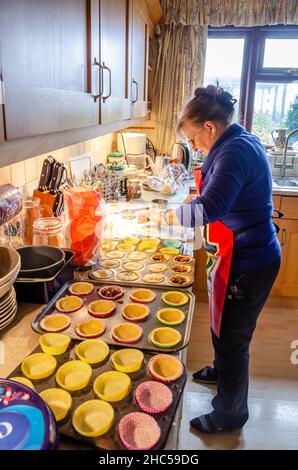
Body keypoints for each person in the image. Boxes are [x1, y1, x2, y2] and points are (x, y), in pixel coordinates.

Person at [138, 85, 281, 433]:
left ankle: (230, 415)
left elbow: (211, 206)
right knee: (223, 324)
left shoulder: (234, 152)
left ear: (210, 127)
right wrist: (180, 210)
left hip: (248, 261)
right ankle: (220, 370)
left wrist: (163, 218)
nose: (196, 147)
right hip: (237, 255)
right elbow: (214, 196)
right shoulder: (236, 142)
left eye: (195, 139)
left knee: (234, 338)